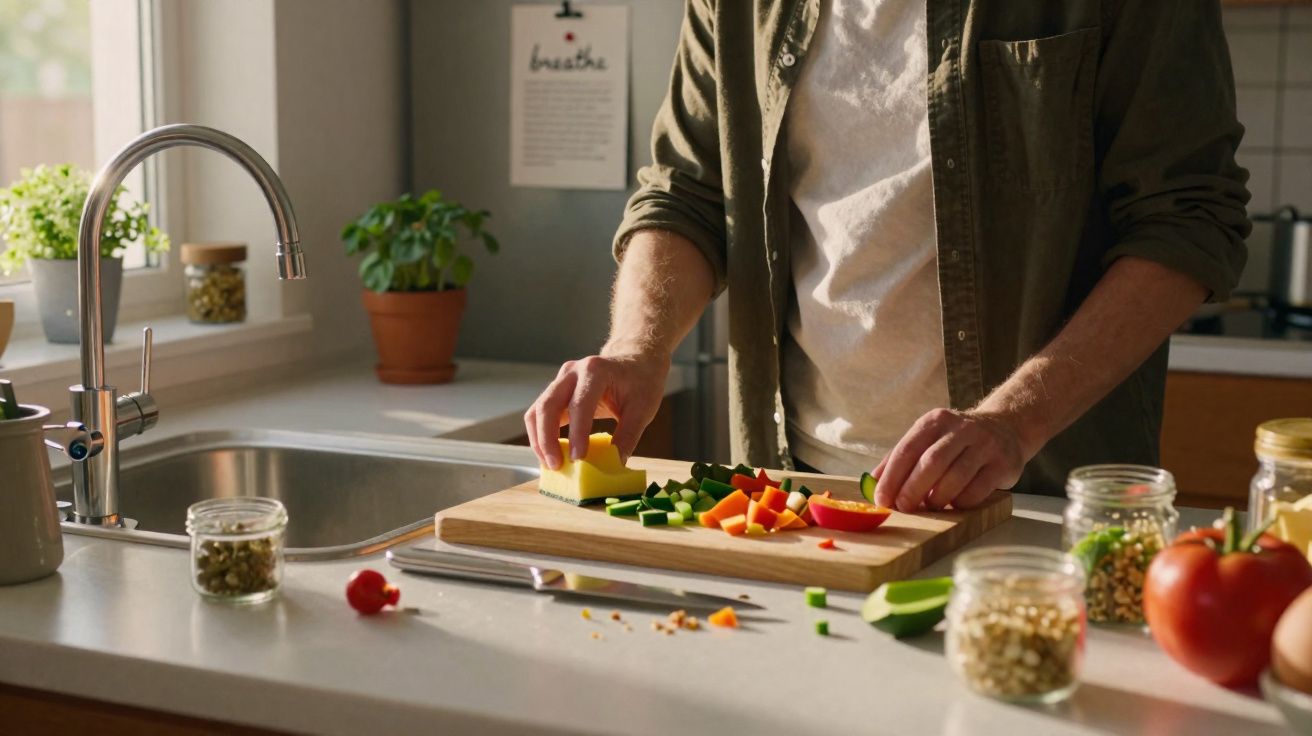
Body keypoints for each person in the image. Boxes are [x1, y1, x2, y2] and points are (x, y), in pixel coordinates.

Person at [524, 0, 1250, 512]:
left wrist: (1011, 422)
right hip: (789, 491)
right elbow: (688, 191)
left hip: (1034, 496)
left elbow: (1188, 218)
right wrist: (637, 347)